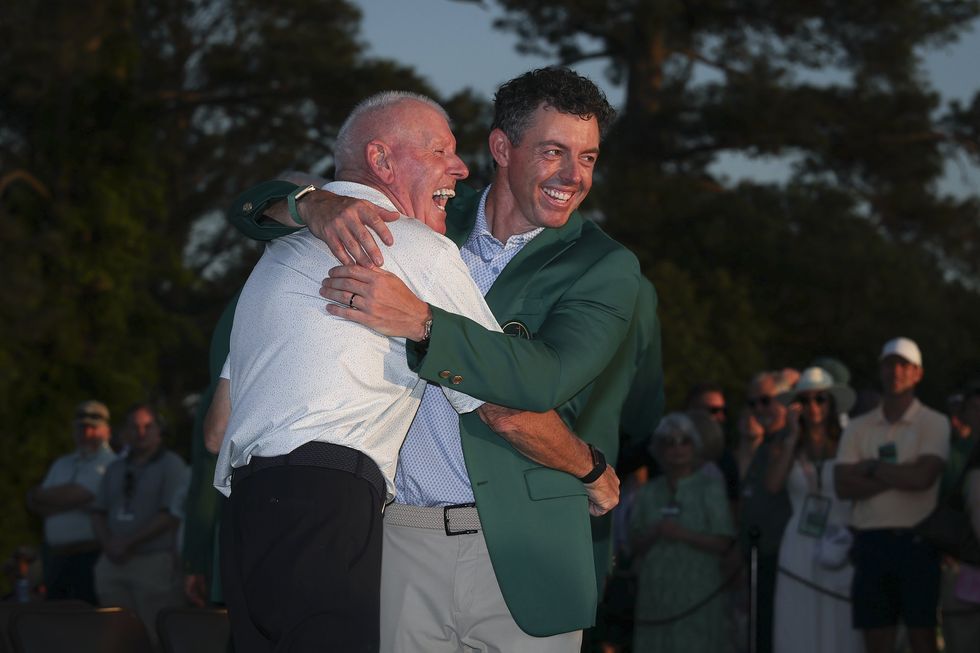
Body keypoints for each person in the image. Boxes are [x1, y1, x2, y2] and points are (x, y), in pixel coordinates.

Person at [229, 68, 644, 650]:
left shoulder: (604, 267)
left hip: (525, 552)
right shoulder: (421, 220)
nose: (573, 176)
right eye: (554, 153)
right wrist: (310, 203)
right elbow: (250, 208)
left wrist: (423, 323)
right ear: (502, 147)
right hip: (398, 539)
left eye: (589, 158)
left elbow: (541, 382)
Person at [835, 337, 951, 653]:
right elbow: (842, 485)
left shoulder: (935, 422)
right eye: (889, 364)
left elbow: (924, 478)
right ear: (880, 370)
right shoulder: (858, 426)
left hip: (918, 542)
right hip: (871, 543)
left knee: (922, 637)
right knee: (876, 640)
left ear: (917, 373)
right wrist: (901, 473)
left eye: (903, 365)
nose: (895, 372)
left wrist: (870, 468)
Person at [767, 367, 862, 653]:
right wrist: (793, 436)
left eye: (820, 399)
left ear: (831, 403)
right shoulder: (786, 445)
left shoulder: (850, 442)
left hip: (841, 540)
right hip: (800, 540)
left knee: (840, 619)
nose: (813, 406)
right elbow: (772, 485)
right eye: (805, 400)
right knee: (798, 619)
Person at [629, 413, 735, 652]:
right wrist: (656, 532)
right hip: (656, 594)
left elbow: (724, 542)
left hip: (699, 594)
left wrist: (681, 534)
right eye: (670, 441)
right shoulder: (648, 492)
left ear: (695, 445)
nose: (678, 448)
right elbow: (633, 544)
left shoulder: (711, 488)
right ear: (659, 448)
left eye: (684, 440)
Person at [92, 403, 189, 640]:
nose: (141, 433)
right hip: (113, 564)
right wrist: (109, 545)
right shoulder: (114, 468)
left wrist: (128, 542)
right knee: (115, 637)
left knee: (155, 634)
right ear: (124, 432)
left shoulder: (172, 465)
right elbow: (98, 512)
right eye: (134, 427)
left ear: (159, 430)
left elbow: (170, 515)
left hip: (153, 562)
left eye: (148, 426)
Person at [26, 400, 117, 604]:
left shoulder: (111, 463)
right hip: (56, 558)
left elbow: (77, 494)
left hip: (89, 556)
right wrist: (72, 500)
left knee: (86, 618)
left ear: (106, 430)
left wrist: (49, 496)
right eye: (81, 428)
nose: (87, 434)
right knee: (56, 618)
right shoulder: (62, 463)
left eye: (93, 428)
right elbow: (34, 502)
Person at [736, 369, 795, 653]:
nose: (759, 409)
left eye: (766, 401)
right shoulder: (765, 445)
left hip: (786, 563)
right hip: (758, 558)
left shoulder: (793, 441)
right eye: (752, 403)